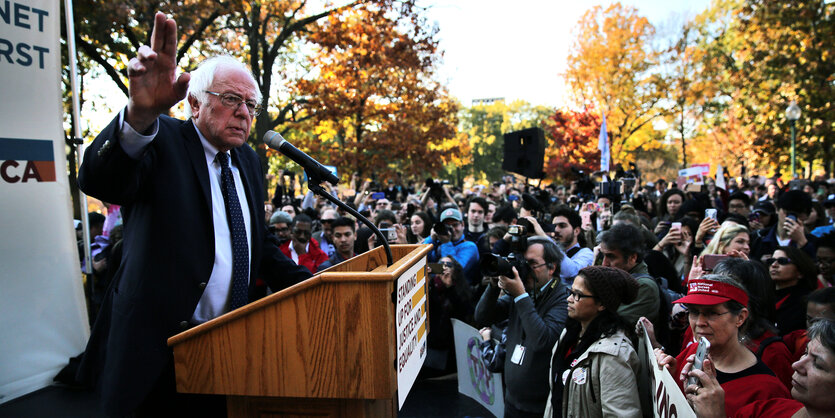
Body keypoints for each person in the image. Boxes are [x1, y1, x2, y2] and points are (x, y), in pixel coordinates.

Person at [75, 13, 312, 417]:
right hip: (154, 351)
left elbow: (260, 247)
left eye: (250, 104)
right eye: (232, 100)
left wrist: (322, 286)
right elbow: (101, 180)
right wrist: (139, 116)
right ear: (195, 103)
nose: (244, 113)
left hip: (229, 346)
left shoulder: (250, 162)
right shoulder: (160, 138)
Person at [655, 275, 790, 417]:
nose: (700, 322)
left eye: (712, 313)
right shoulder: (691, 353)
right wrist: (666, 375)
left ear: (740, 317)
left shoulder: (768, 390)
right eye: (694, 312)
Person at [474, 236, 569, 417]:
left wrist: (520, 294)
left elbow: (542, 340)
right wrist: (494, 287)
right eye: (522, 262)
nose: (524, 269)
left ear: (552, 268)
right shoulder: (523, 292)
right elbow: (482, 317)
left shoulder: (562, 299)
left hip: (541, 407)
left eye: (531, 263)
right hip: (511, 401)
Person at [544, 266, 642, 418]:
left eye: (578, 295)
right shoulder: (568, 334)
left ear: (601, 304)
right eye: (571, 292)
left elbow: (621, 413)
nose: (569, 299)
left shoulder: (613, 355)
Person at [687, 319, 835, 418]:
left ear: (740, 317)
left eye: (818, 364)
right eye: (805, 353)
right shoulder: (764, 410)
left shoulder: (767, 389)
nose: (796, 365)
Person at [597, 223, 661, 327]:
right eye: (602, 256)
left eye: (611, 257)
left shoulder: (644, 286)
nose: (604, 263)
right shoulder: (617, 278)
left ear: (632, 258)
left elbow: (612, 324)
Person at [423, 208, 480, 286]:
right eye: (447, 226)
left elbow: (453, 271)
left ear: (462, 225)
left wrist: (446, 243)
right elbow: (420, 260)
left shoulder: (470, 247)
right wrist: (431, 239)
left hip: (460, 293)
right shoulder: (437, 242)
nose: (452, 229)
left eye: (455, 225)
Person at [769, 246, 818, 335]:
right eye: (771, 261)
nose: (773, 265)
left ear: (800, 272)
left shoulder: (806, 302)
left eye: (782, 261)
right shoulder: (763, 294)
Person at [551, 206, 594, 284]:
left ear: (576, 231)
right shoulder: (550, 251)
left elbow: (571, 272)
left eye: (562, 226)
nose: (556, 230)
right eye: (554, 226)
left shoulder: (587, 254)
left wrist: (546, 240)